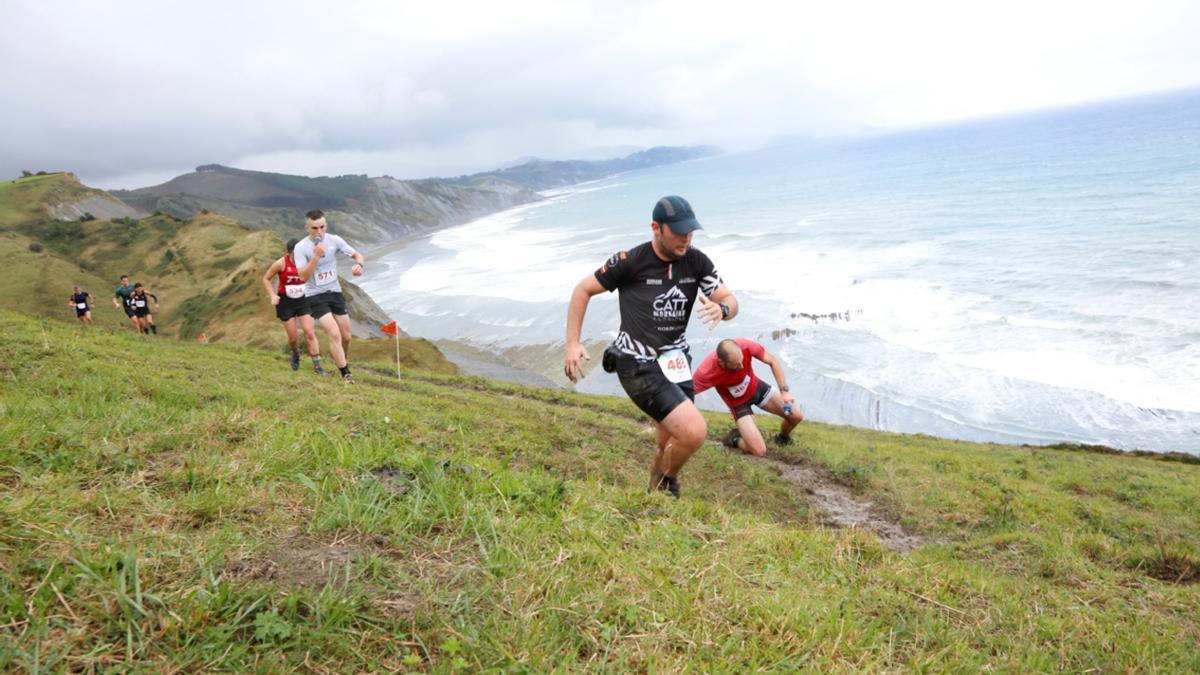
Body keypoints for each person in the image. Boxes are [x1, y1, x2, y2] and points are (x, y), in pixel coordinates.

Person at [564, 195, 738, 498]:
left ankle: (656, 492)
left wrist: (722, 309)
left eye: (690, 231)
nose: (686, 238)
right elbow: (583, 289)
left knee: (668, 438)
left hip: (677, 361)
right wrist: (572, 344)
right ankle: (665, 479)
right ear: (656, 228)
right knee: (694, 431)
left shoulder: (697, 261)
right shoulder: (630, 261)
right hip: (637, 362)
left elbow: (730, 300)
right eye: (679, 232)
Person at [693, 338, 804, 457]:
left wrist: (784, 391)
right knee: (759, 451)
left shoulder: (746, 345)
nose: (741, 366)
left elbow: (772, 361)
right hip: (739, 406)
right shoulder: (706, 373)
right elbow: (686, 396)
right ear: (722, 362)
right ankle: (734, 439)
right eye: (736, 365)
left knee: (795, 416)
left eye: (741, 361)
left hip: (759, 390)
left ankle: (782, 438)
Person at [291, 209, 364, 382]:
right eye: (314, 228)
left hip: (335, 292)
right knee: (334, 333)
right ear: (306, 228)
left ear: (326, 225)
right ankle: (345, 374)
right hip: (315, 295)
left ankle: (342, 360)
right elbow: (302, 277)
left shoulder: (334, 240)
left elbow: (357, 254)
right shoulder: (301, 247)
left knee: (346, 336)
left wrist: (359, 265)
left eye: (322, 227)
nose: (319, 232)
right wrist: (315, 257)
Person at [261, 238, 325, 373]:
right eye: (295, 254)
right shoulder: (281, 263)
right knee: (293, 338)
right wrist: (272, 295)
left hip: (304, 300)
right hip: (286, 302)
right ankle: (295, 352)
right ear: (288, 252)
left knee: (309, 332)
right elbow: (266, 279)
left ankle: (317, 366)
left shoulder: (308, 261)